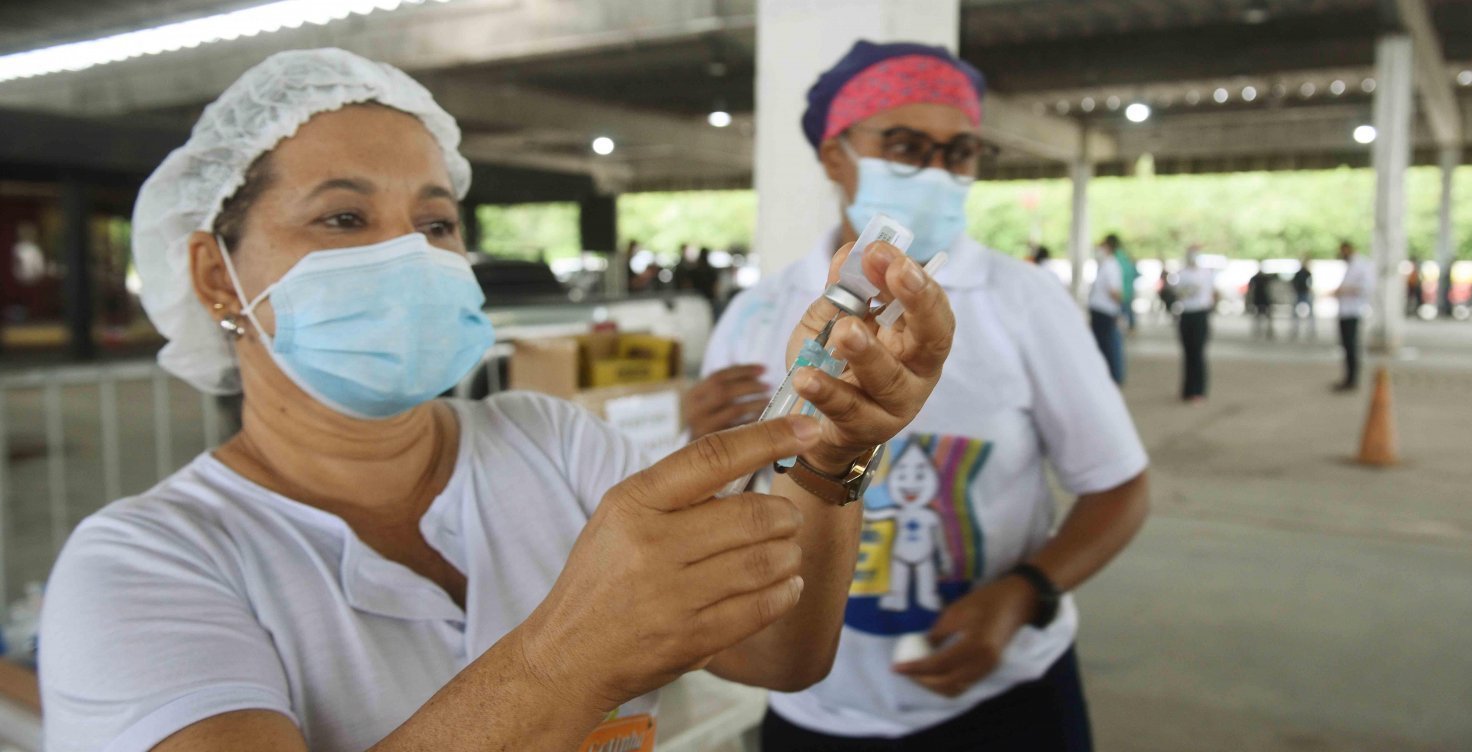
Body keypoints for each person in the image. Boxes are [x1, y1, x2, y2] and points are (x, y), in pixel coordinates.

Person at [38, 49, 957, 752]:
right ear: (216, 274)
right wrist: (571, 656)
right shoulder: (143, 568)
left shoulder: (547, 442)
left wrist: (830, 455)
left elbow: (776, 657)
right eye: (344, 218)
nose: (414, 257)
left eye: (436, 223)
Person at [688, 41, 1150, 751]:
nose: (936, 172)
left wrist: (1025, 591)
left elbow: (1118, 488)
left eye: (959, 152)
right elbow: (724, 501)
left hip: (1002, 700)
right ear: (834, 156)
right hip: (817, 704)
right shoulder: (760, 315)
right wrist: (700, 444)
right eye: (904, 146)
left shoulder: (1022, 302)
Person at [1174, 246, 1217, 402]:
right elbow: (1178, 293)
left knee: (1198, 353)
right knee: (1188, 353)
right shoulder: (1182, 273)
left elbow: (1212, 294)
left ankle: (1199, 390)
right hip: (1186, 314)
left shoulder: (1206, 273)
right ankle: (1187, 389)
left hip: (1200, 314)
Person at [1331, 241, 1375, 392]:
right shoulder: (1351, 265)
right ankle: (1348, 378)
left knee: (1351, 347)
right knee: (1346, 347)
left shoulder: (1361, 264)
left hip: (1353, 311)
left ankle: (1352, 379)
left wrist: (1344, 291)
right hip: (1344, 311)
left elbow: (1366, 288)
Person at [1089, 240, 1127, 384]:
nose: (1098, 250)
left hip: (1106, 312)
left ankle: (1113, 377)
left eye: (1101, 247)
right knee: (1104, 345)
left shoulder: (1111, 266)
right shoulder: (1104, 265)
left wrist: (1120, 310)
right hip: (1100, 310)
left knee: (1109, 345)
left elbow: (1114, 291)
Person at [1107, 234, 1138, 333]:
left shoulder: (1113, 259)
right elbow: (1135, 273)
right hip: (1127, 291)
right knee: (1127, 313)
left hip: (1118, 293)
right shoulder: (1125, 256)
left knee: (1117, 321)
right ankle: (1131, 329)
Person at [1290, 254, 1315, 341]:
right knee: (1297, 313)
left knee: (1309, 312)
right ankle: (1296, 328)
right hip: (1301, 293)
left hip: (1304, 293)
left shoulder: (1306, 273)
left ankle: (1310, 329)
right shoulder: (1301, 273)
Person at [1248, 266, 1276, 340]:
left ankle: (1265, 331)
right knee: (1262, 316)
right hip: (1261, 298)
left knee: (1263, 316)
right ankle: (1263, 331)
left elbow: (1251, 288)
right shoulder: (1260, 278)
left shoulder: (1259, 278)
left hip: (1261, 298)